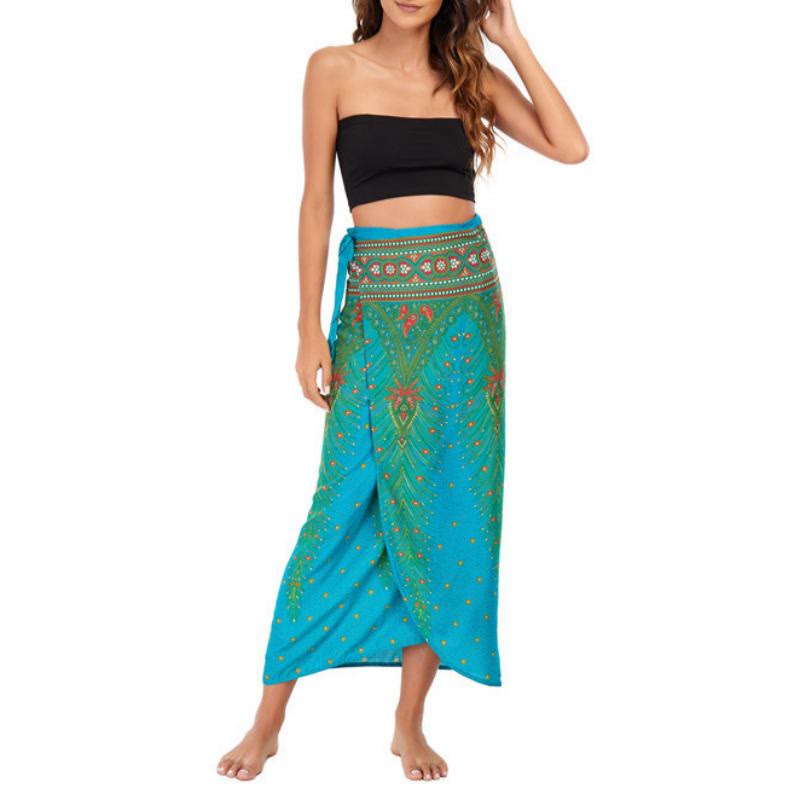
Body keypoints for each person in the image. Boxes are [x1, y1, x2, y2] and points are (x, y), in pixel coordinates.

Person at [217, 0, 587, 783]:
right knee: (339, 507)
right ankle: (268, 722)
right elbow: (316, 200)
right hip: (376, 316)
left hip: (466, 318)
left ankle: (409, 722)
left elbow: (570, 146)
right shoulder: (333, 69)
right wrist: (308, 327)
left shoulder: (469, 75)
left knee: (447, 506)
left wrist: (512, 39)